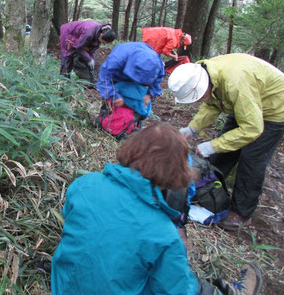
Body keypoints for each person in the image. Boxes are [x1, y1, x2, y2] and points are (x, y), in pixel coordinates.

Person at [51, 123, 262, 295]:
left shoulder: (85, 184)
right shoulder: (163, 234)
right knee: (176, 280)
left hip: (63, 285)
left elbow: (75, 221)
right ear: (177, 175)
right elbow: (177, 290)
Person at [168, 54, 284, 231]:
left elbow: (252, 128)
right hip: (245, 105)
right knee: (223, 151)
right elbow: (211, 104)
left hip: (274, 110)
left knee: (251, 159)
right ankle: (209, 190)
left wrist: (212, 145)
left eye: (197, 97)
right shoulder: (205, 73)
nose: (198, 101)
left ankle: (242, 212)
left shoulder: (235, 82)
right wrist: (191, 129)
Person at [96, 42, 164, 118]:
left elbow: (158, 78)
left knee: (137, 100)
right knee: (110, 103)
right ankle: (107, 118)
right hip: (118, 75)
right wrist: (112, 95)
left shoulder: (156, 63)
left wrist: (150, 94)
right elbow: (104, 78)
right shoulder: (116, 59)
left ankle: (132, 120)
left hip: (135, 68)